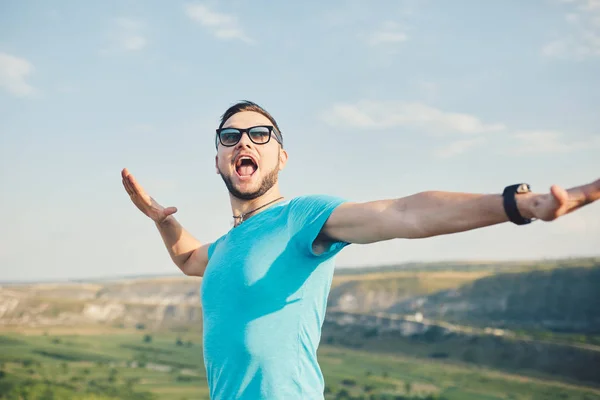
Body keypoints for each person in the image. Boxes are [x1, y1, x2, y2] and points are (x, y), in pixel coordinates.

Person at [121, 100, 599, 400]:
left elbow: (405, 213)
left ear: (281, 157)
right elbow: (188, 260)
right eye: (230, 137)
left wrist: (523, 204)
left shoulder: (303, 217)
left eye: (259, 134)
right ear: (219, 159)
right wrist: (164, 221)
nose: (243, 141)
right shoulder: (226, 246)